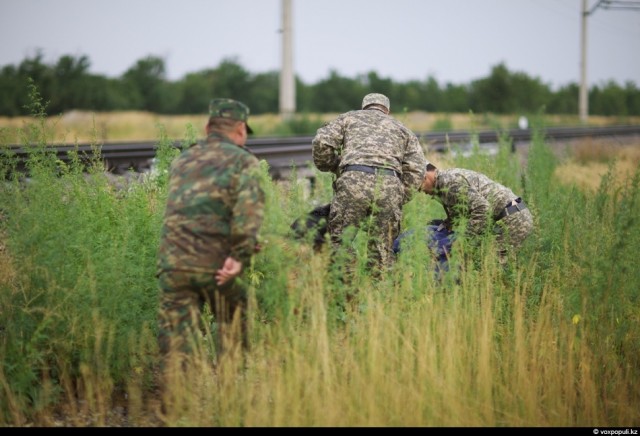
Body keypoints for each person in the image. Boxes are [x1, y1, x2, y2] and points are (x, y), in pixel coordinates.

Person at [156, 98, 265, 368]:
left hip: (173, 264)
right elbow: (247, 215)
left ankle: (178, 402)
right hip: (216, 265)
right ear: (240, 129)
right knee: (236, 322)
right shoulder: (244, 161)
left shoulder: (182, 160)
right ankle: (229, 391)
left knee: (176, 343)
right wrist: (239, 256)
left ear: (207, 128)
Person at [311, 93, 427, 276]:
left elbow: (321, 141)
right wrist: (400, 195)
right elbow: (417, 169)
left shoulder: (348, 118)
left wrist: (333, 166)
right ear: (387, 110)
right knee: (382, 250)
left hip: (353, 182)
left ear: (364, 106)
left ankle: (346, 291)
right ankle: (379, 296)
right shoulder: (403, 129)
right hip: (389, 186)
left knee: (340, 243)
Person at [420, 162, 534, 264]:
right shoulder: (444, 182)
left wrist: (462, 240)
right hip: (513, 212)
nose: (421, 191)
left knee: (488, 267)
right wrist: (444, 225)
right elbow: (462, 214)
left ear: (425, 176)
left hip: (513, 219)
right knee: (485, 263)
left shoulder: (448, 183)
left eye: (419, 186)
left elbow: (483, 209)